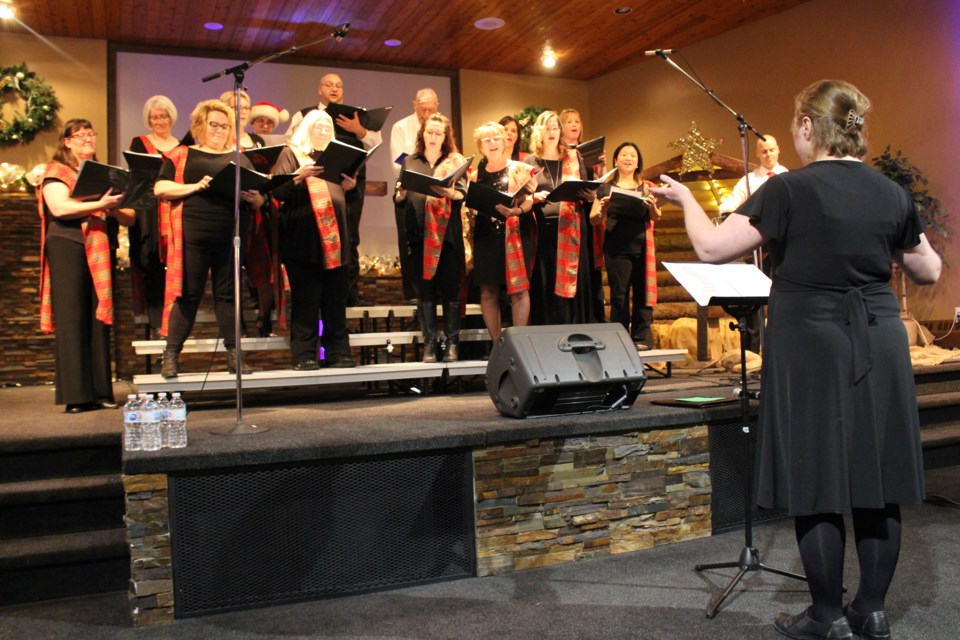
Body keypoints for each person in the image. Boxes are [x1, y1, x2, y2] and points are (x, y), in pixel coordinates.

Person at [651, 79, 941, 640]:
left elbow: (711, 249)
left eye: (793, 126)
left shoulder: (789, 190)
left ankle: (828, 617)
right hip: (880, 338)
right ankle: (873, 610)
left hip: (812, 340)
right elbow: (927, 270)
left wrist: (687, 200)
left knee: (819, 476)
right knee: (876, 477)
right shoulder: (890, 192)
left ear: (808, 126)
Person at [154, 99, 266, 378]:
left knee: (228, 297)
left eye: (225, 126)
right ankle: (170, 356)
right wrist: (195, 186)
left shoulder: (240, 156)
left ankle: (233, 355)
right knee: (188, 295)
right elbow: (160, 188)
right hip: (192, 235)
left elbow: (259, 195)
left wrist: (256, 198)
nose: (219, 130)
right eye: (214, 124)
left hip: (229, 236)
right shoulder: (181, 154)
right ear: (200, 126)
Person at [38, 119, 134, 412]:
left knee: (97, 318)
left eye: (91, 134)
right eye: (79, 135)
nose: (87, 139)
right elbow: (59, 208)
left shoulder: (103, 174)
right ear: (66, 141)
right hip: (67, 243)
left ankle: (100, 391)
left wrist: (115, 206)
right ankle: (77, 397)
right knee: (72, 318)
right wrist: (100, 206)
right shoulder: (56, 170)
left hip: (98, 245)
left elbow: (130, 216)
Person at [271, 109, 357, 369]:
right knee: (306, 300)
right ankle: (305, 354)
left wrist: (352, 188)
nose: (323, 130)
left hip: (336, 241)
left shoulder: (338, 158)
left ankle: (338, 352)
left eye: (327, 127)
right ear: (307, 128)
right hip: (303, 239)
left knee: (335, 301)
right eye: (318, 126)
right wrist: (300, 175)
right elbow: (276, 190)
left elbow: (347, 202)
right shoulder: (292, 153)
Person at [288, 73, 383, 307]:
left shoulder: (357, 115)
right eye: (329, 85)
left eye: (339, 85)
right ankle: (322, 294)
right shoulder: (304, 114)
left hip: (349, 182)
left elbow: (375, 144)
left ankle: (349, 293)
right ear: (319, 89)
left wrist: (358, 129)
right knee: (316, 234)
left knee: (349, 234)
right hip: (314, 182)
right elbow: (292, 142)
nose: (334, 89)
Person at [394, 113, 466, 362]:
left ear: (446, 137)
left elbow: (463, 194)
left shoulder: (455, 160)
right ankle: (429, 345)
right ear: (422, 134)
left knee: (449, 289)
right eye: (430, 132)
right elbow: (398, 197)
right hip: (419, 233)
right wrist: (401, 194)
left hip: (447, 236)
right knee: (425, 291)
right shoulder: (409, 161)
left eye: (439, 133)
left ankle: (452, 344)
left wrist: (450, 192)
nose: (434, 137)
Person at [526, 110, 598, 325]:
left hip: (572, 228)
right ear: (539, 132)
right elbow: (522, 194)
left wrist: (591, 195)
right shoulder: (531, 160)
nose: (552, 132)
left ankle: (574, 328)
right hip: (544, 230)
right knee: (547, 281)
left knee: (573, 279)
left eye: (555, 128)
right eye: (547, 128)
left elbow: (587, 189)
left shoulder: (573, 157)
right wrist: (534, 196)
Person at [467, 121, 536, 342]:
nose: (493, 143)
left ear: (505, 141)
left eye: (496, 138)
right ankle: (497, 344)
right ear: (480, 146)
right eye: (487, 140)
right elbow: (471, 205)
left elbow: (530, 200)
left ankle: (519, 342)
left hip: (514, 234)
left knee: (518, 289)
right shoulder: (476, 174)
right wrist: (469, 209)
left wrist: (517, 210)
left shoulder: (520, 168)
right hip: (486, 235)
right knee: (488, 290)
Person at [589, 142, 661, 349]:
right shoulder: (605, 187)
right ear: (615, 160)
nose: (628, 158)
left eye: (633, 155)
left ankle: (641, 338)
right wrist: (603, 209)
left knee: (642, 293)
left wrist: (652, 206)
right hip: (616, 247)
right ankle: (620, 339)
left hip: (642, 246)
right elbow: (593, 219)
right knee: (619, 294)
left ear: (638, 162)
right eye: (624, 154)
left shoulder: (646, 186)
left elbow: (657, 216)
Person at [128, 95, 180, 334]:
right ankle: (156, 321)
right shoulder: (139, 143)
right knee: (150, 261)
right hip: (148, 210)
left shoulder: (182, 146)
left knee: (176, 263)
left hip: (173, 208)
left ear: (172, 117)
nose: (159, 121)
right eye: (154, 117)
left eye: (163, 116)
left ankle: (175, 319)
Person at [391, 88, 440, 304]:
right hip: (409, 191)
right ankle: (412, 292)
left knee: (436, 241)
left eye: (431, 109)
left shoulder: (442, 127)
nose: (427, 114)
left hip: (436, 193)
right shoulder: (401, 127)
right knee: (409, 242)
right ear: (414, 106)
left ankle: (435, 291)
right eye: (422, 109)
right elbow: (398, 163)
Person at [560, 108, 606, 322]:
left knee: (587, 267)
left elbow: (599, 184)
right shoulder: (559, 154)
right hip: (568, 214)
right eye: (568, 121)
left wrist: (601, 167)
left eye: (577, 121)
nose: (573, 125)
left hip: (588, 211)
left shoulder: (587, 152)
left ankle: (591, 317)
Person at [718, 135, 789, 214]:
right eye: (764, 151)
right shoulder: (748, 180)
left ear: (778, 150)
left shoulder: (788, 176)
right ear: (757, 153)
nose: (769, 154)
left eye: (772, 150)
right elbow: (727, 206)